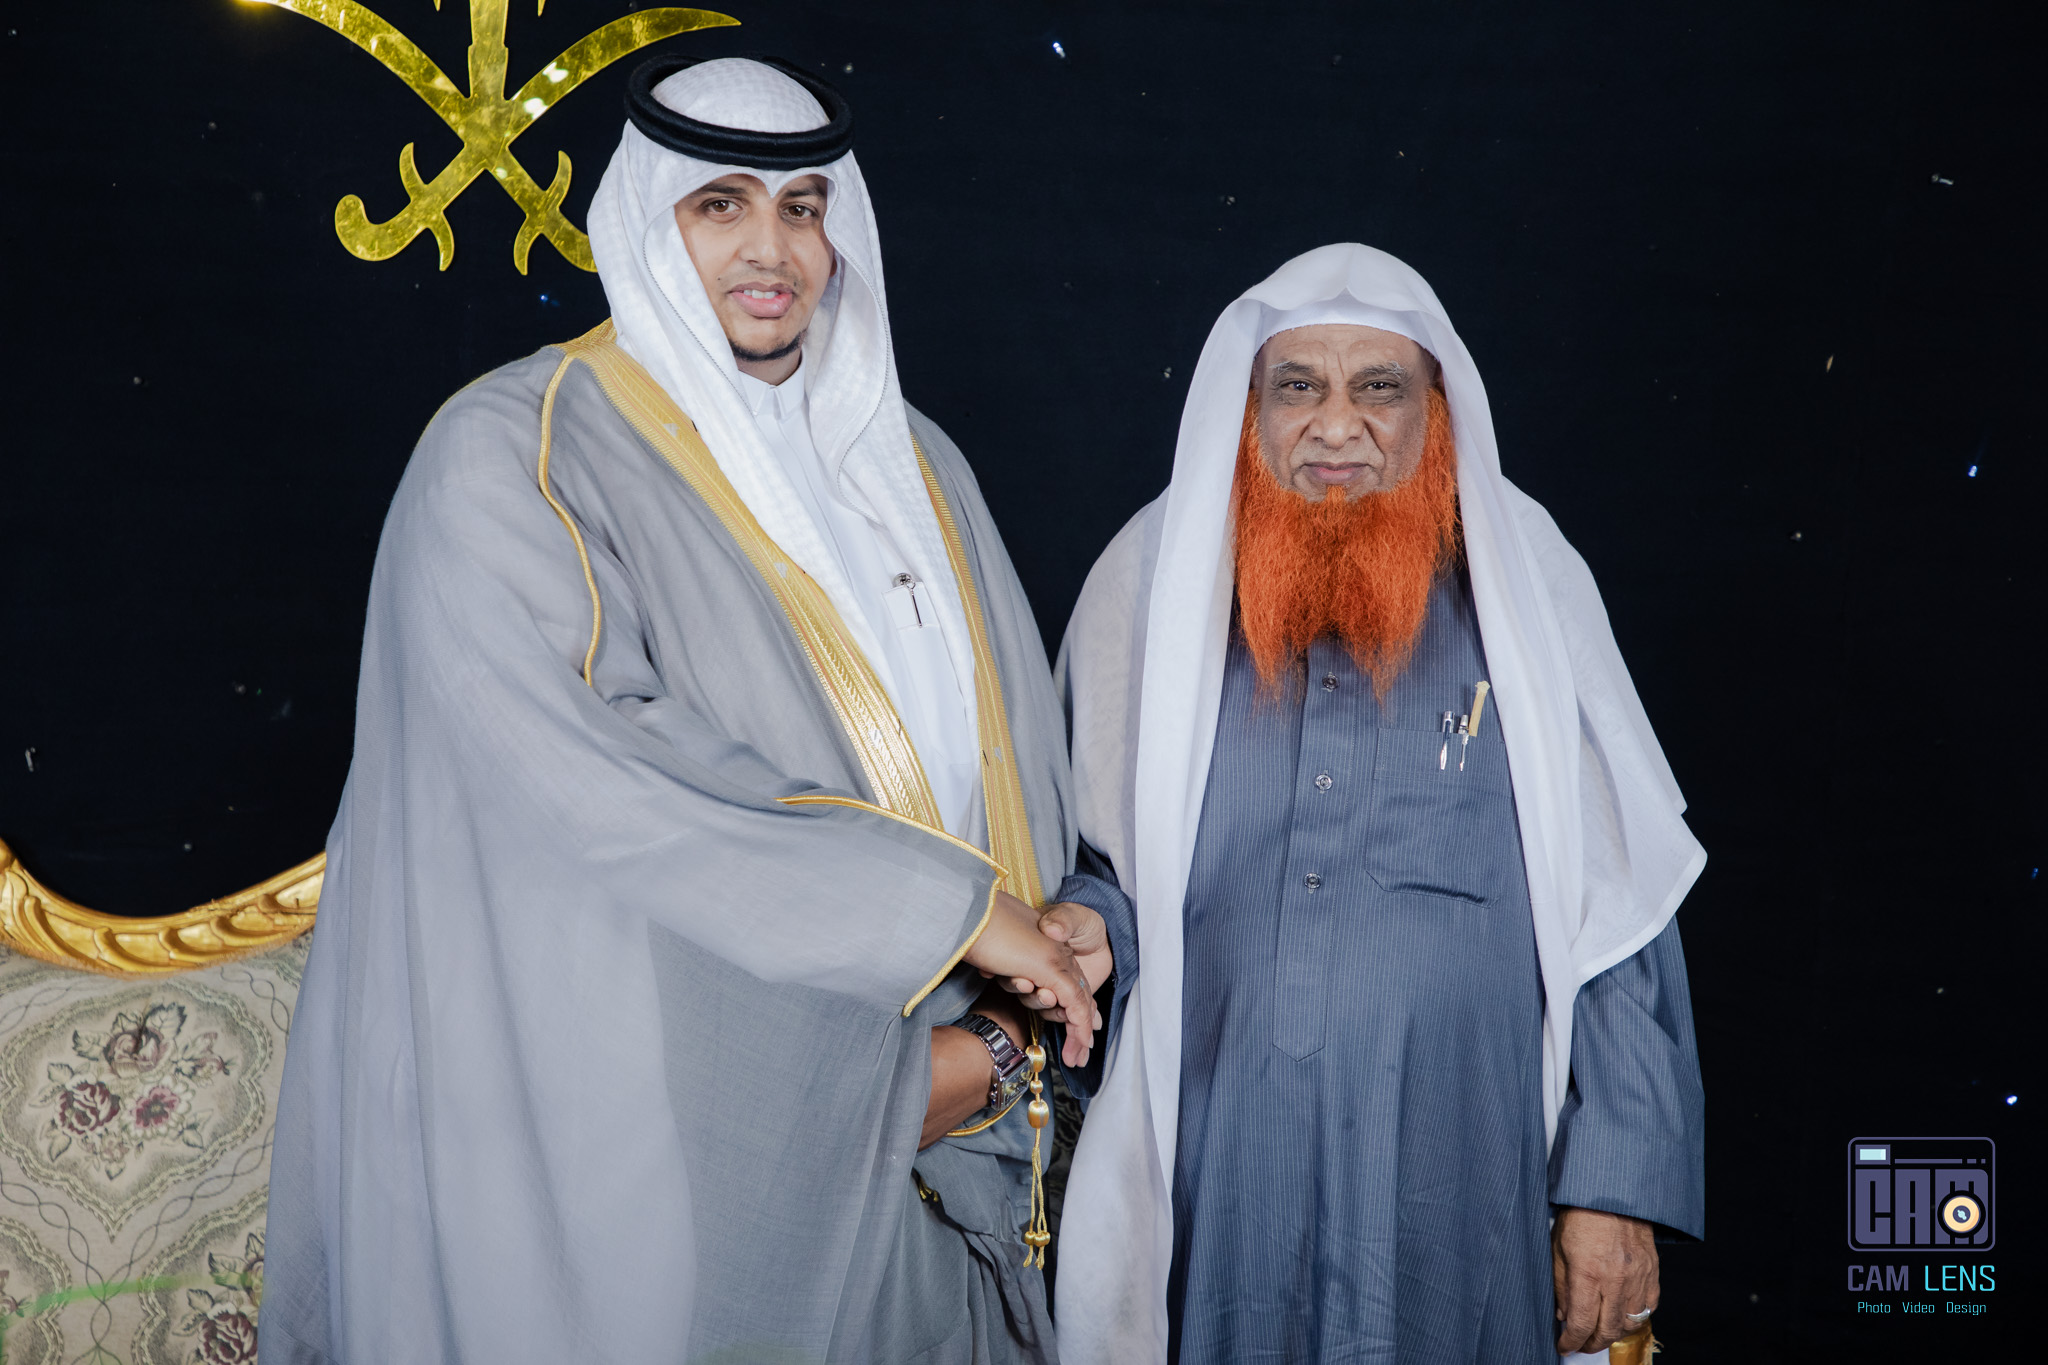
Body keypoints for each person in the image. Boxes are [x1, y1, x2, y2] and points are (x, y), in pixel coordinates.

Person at [260, 56, 1102, 1365]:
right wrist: (956, 916)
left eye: (804, 208)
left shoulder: (917, 462)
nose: (772, 250)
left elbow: (1013, 759)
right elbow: (600, 781)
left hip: (975, 1122)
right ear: (648, 221)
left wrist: (1059, 934)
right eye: (720, 206)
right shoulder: (514, 451)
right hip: (684, 1158)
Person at [1038, 244, 1708, 1364]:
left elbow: (1620, 911)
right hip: (1217, 1168)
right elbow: (1103, 868)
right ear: (1247, 411)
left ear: (1434, 410)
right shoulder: (1150, 581)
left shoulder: (1523, 581)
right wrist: (1090, 923)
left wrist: (1613, 1187)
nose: (1336, 426)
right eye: (1297, 386)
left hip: (1465, 1175)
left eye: (1378, 388)